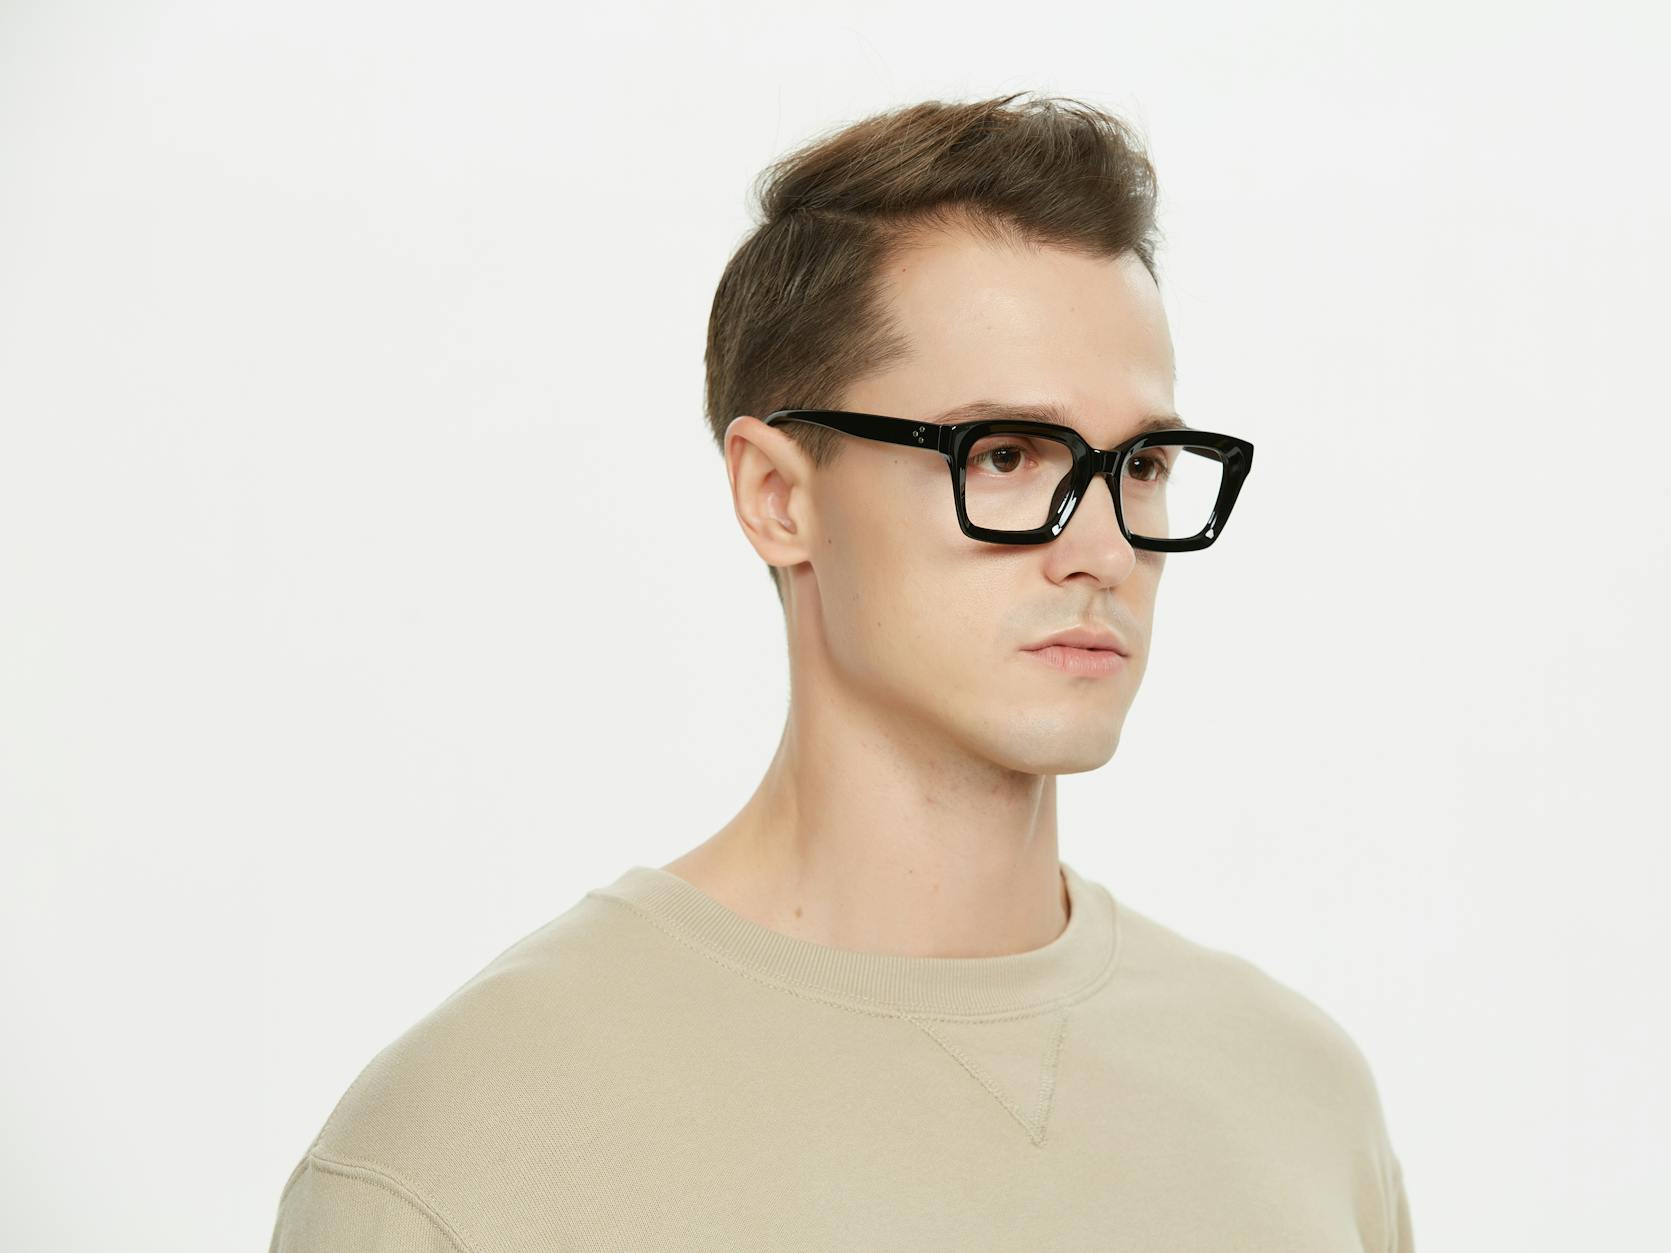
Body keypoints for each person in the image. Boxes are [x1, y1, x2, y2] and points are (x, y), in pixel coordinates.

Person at [270, 90, 1413, 1251]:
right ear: (777, 497)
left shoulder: (1297, 1102)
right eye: (1007, 453)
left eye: (1146, 462)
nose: (1106, 549)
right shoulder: (462, 1150)